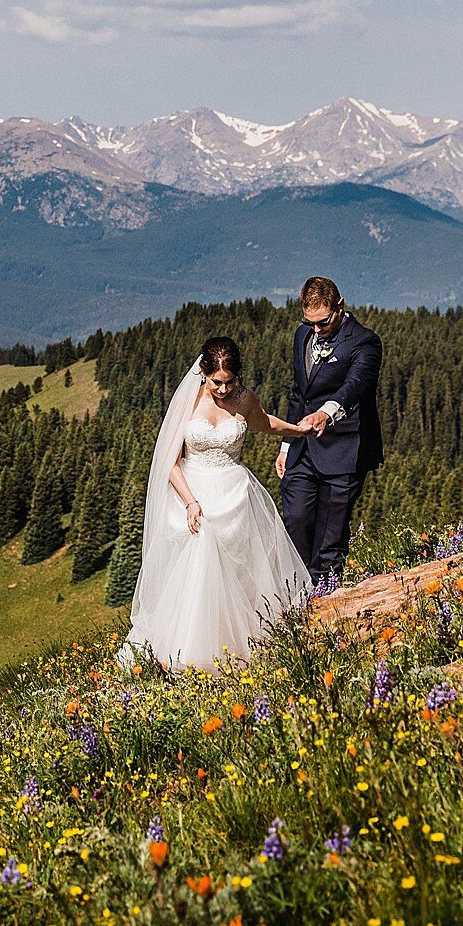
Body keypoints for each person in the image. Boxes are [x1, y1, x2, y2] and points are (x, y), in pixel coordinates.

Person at [123, 335, 317, 671]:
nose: (224, 390)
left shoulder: (243, 399)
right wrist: (190, 502)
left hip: (235, 492)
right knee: (196, 571)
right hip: (194, 492)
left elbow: (265, 422)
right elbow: (169, 460)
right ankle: (184, 654)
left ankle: (238, 645)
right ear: (203, 372)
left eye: (229, 382)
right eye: (217, 382)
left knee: (239, 573)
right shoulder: (188, 402)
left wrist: (297, 431)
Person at [275, 275, 382, 597]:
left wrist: (327, 413)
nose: (316, 329)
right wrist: (286, 444)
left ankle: (323, 601)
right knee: (295, 521)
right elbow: (299, 394)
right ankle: (295, 594)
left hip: (345, 451)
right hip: (302, 450)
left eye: (323, 322)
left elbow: (356, 386)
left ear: (340, 307)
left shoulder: (365, 341)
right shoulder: (302, 335)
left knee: (330, 538)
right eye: (310, 322)